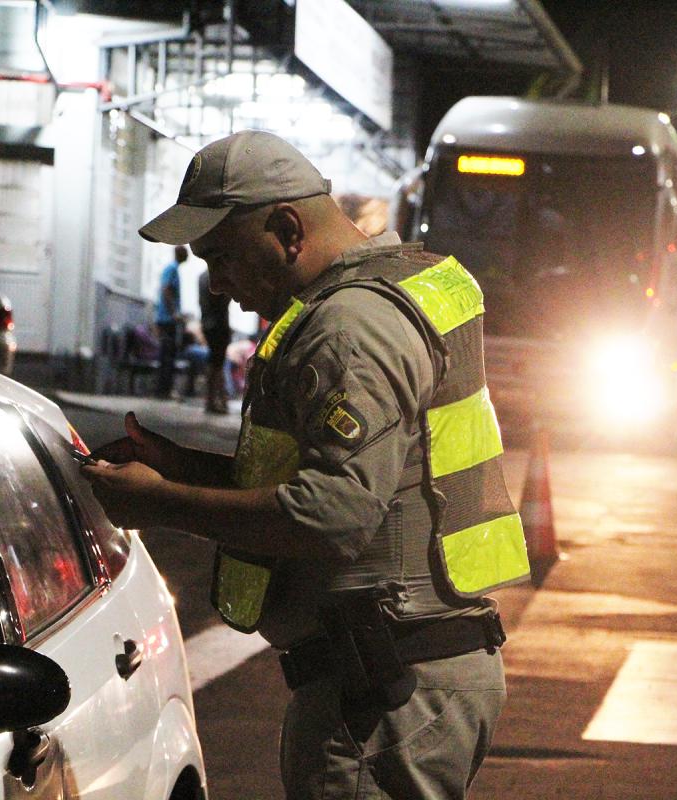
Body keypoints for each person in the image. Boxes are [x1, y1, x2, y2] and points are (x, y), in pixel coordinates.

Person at [82, 130, 530, 799]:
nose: (218, 284)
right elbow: (345, 480)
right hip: (411, 671)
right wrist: (178, 467)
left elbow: (331, 517)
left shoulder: (348, 329)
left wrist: (156, 504)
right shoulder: (400, 285)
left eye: (222, 255)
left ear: (287, 228)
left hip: (381, 693)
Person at [153, 245, 187, 399]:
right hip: (168, 320)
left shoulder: (172, 269)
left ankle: (163, 390)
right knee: (168, 356)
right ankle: (163, 390)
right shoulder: (172, 269)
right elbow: (166, 289)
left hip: (166, 318)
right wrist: (174, 313)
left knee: (167, 355)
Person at [198, 267, 232, 414]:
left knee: (213, 363)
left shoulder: (202, 277)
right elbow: (224, 300)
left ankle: (212, 400)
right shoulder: (218, 275)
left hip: (207, 323)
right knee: (217, 364)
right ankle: (215, 401)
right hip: (218, 324)